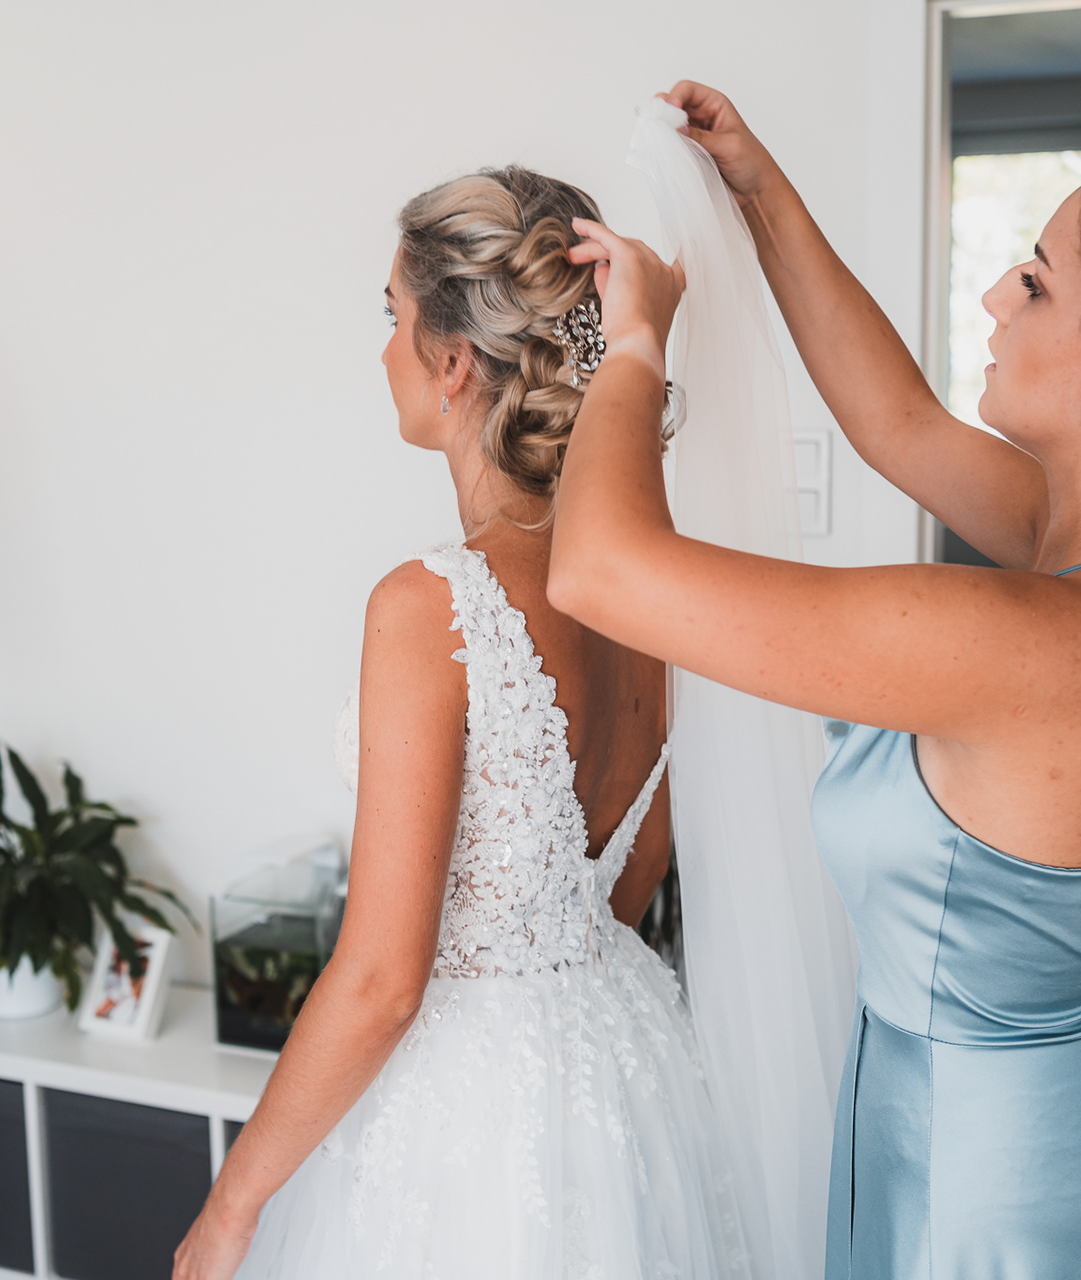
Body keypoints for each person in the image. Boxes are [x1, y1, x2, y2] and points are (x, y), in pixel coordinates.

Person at [547, 82, 1081, 1280]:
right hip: (1053, 1137)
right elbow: (896, 420)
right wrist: (758, 186)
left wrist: (634, 342)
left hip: (996, 1207)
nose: (994, 294)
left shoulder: (1045, 637)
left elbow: (601, 569)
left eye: (1035, 281)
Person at [174, 165, 751, 1280]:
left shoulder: (429, 604)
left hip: (473, 1118)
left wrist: (233, 1206)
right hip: (624, 1073)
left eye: (391, 315)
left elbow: (384, 978)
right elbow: (632, 875)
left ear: (450, 362)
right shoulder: (645, 588)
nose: (383, 348)